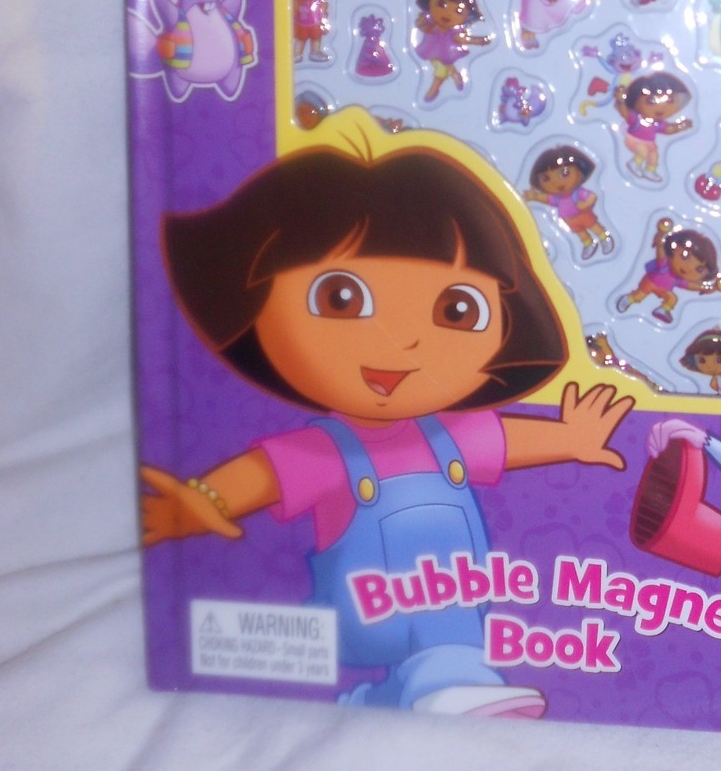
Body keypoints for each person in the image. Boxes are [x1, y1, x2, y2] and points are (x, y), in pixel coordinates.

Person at [140, 143, 634, 716]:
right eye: (341, 299)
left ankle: (407, 694)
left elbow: (509, 442)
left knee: (441, 639)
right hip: (362, 614)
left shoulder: (452, 439)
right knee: (446, 639)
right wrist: (203, 502)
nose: (403, 341)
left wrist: (572, 440)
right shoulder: (326, 453)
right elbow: (262, 475)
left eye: (456, 311)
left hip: (451, 607)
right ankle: (456, 686)